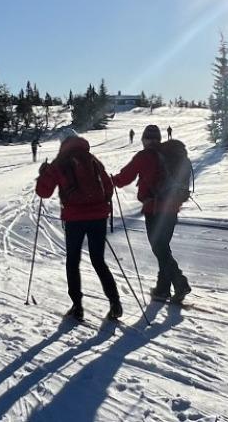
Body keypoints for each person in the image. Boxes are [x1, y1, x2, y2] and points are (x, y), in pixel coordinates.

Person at [35, 132, 123, 321]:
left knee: (73, 261)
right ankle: (115, 302)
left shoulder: (60, 162)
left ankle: (77, 306)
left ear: (63, 144)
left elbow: (44, 192)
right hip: (98, 217)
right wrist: (101, 205)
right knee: (98, 260)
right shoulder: (92, 159)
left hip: (74, 218)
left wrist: (44, 174)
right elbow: (108, 186)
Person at [111, 125, 190, 303]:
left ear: (145, 139)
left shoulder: (144, 156)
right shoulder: (171, 155)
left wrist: (110, 180)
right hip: (173, 207)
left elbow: (124, 178)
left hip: (154, 209)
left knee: (159, 248)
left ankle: (180, 282)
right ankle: (162, 289)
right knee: (163, 248)